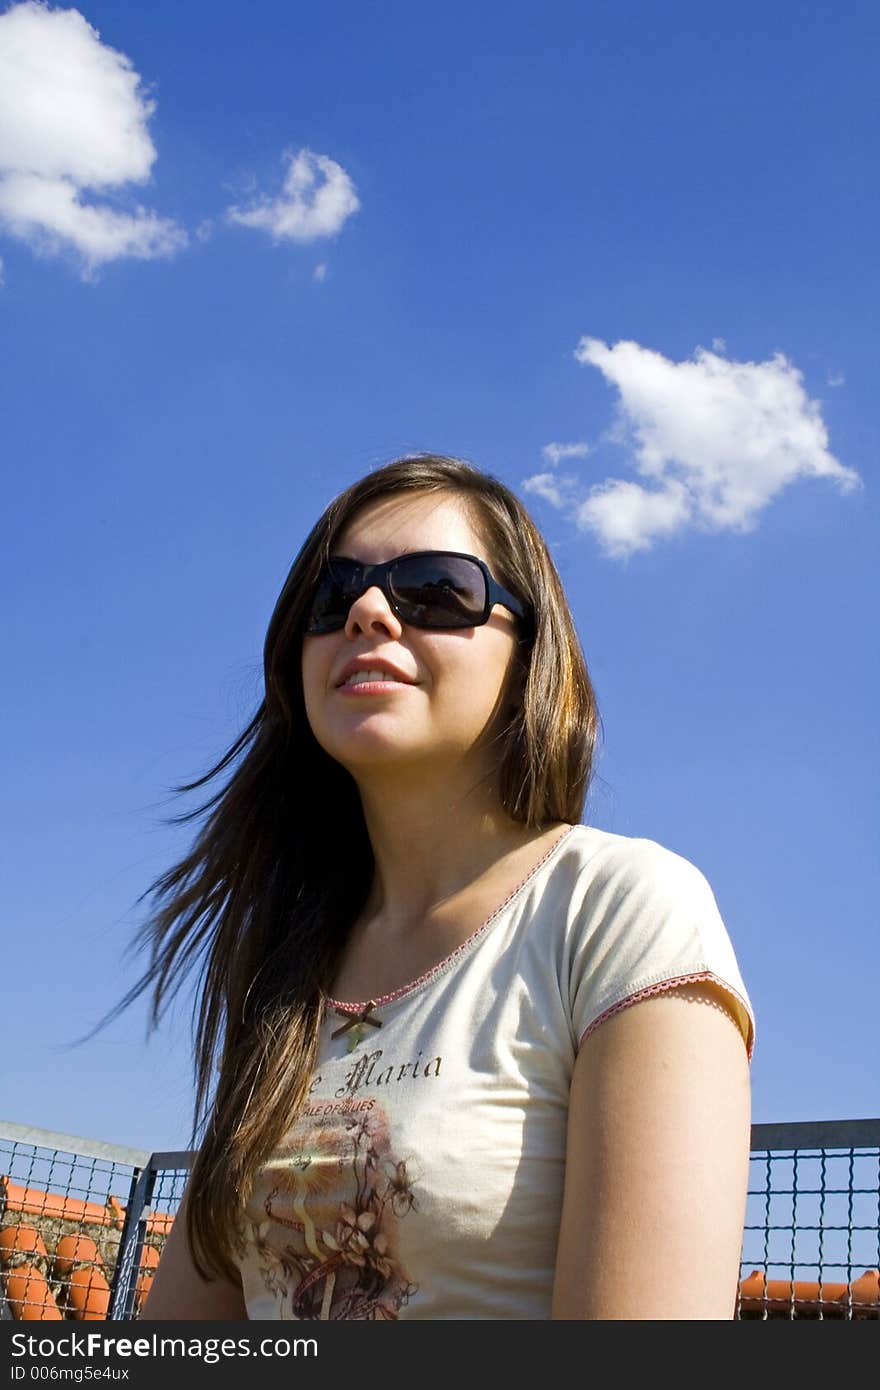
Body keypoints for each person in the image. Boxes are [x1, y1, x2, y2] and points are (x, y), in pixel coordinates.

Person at [138, 452, 754, 1321]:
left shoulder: (621, 907)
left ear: (528, 651)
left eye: (433, 588)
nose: (366, 610)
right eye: (332, 594)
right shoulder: (285, 965)